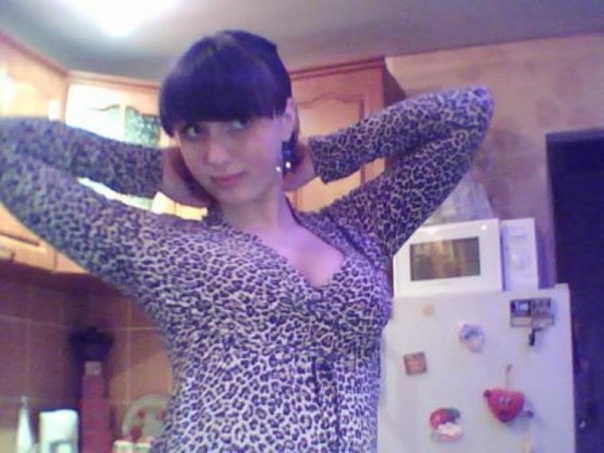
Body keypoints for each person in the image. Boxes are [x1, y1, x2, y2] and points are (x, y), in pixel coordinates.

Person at [0, 30, 493, 452]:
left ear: (287, 118)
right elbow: (8, 150)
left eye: (239, 123)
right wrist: (148, 168)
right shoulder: (160, 251)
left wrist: (325, 156)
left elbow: (467, 113)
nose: (215, 155)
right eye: (194, 131)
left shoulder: (359, 229)